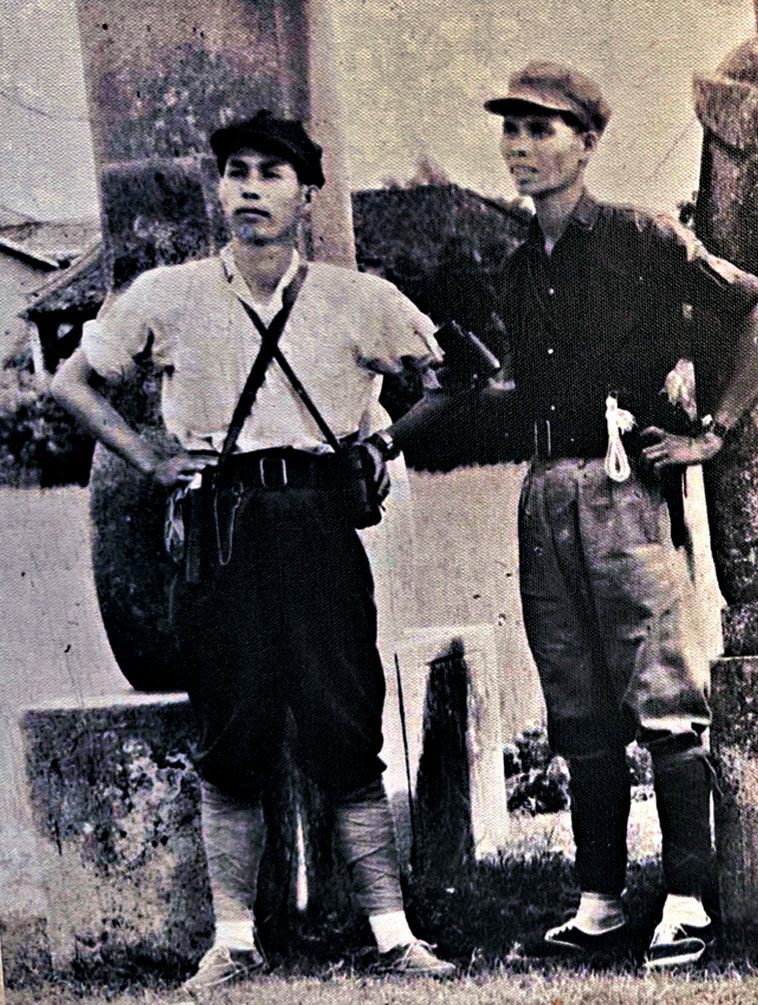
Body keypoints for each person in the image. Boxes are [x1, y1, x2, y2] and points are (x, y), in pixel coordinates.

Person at [51, 109, 455, 989]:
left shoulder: (357, 297)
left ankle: (393, 935)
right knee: (230, 737)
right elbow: (72, 382)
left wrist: (380, 444)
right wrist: (150, 458)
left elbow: (448, 380)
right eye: (236, 171)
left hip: (317, 524)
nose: (250, 189)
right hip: (219, 529)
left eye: (271, 174)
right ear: (219, 188)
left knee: (345, 728)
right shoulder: (168, 293)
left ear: (306, 195)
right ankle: (232, 942)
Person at [483, 62, 758, 969]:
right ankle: (599, 904)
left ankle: (687, 899)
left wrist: (712, 433)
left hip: (624, 485)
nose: (520, 146)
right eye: (511, 128)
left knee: (662, 696)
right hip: (546, 490)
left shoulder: (639, 237)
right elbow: (512, 387)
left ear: (586, 143)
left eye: (541, 129)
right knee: (576, 702)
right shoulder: (516, 267)